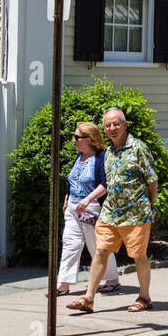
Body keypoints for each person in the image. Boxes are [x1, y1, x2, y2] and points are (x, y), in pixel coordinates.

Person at [68, 107, 157, 314]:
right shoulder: (108, 152)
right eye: (108, 125)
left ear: (125, 125)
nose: (112, 128)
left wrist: (151, 206)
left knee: (138, 255)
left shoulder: (138, 148)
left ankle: (144, 297)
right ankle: (88, 298)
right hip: (110, 213)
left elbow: (152, 179)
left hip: (135, 213)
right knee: (100, 251)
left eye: (116, 124)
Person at [49, 122, 120, 297]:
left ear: (88, 139)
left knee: (97, 246)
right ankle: (63, 283)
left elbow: (105, 183)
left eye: (76, 137)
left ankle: (112, 279)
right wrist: (67, 196)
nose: (73, 140)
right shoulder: (79, 157)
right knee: (70, 243)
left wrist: (88, 199)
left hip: (91, 208)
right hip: (73, 208)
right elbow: (74, 180)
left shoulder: (101, 158)